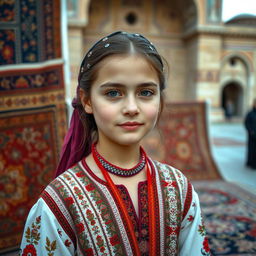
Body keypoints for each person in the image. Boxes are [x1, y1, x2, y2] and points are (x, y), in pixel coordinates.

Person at [20, 31, 210, 255]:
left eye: (146, 92)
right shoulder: (59, 203)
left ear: (160, 98)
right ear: (87, 100)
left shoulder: (179, 188)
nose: (131, 107)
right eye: (113, 93)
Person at [245, 99, 256, 170]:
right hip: (252, 135)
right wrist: (250, 131)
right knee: (252, 150)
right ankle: (251, 163)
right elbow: (246, 123)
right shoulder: (250, 113)